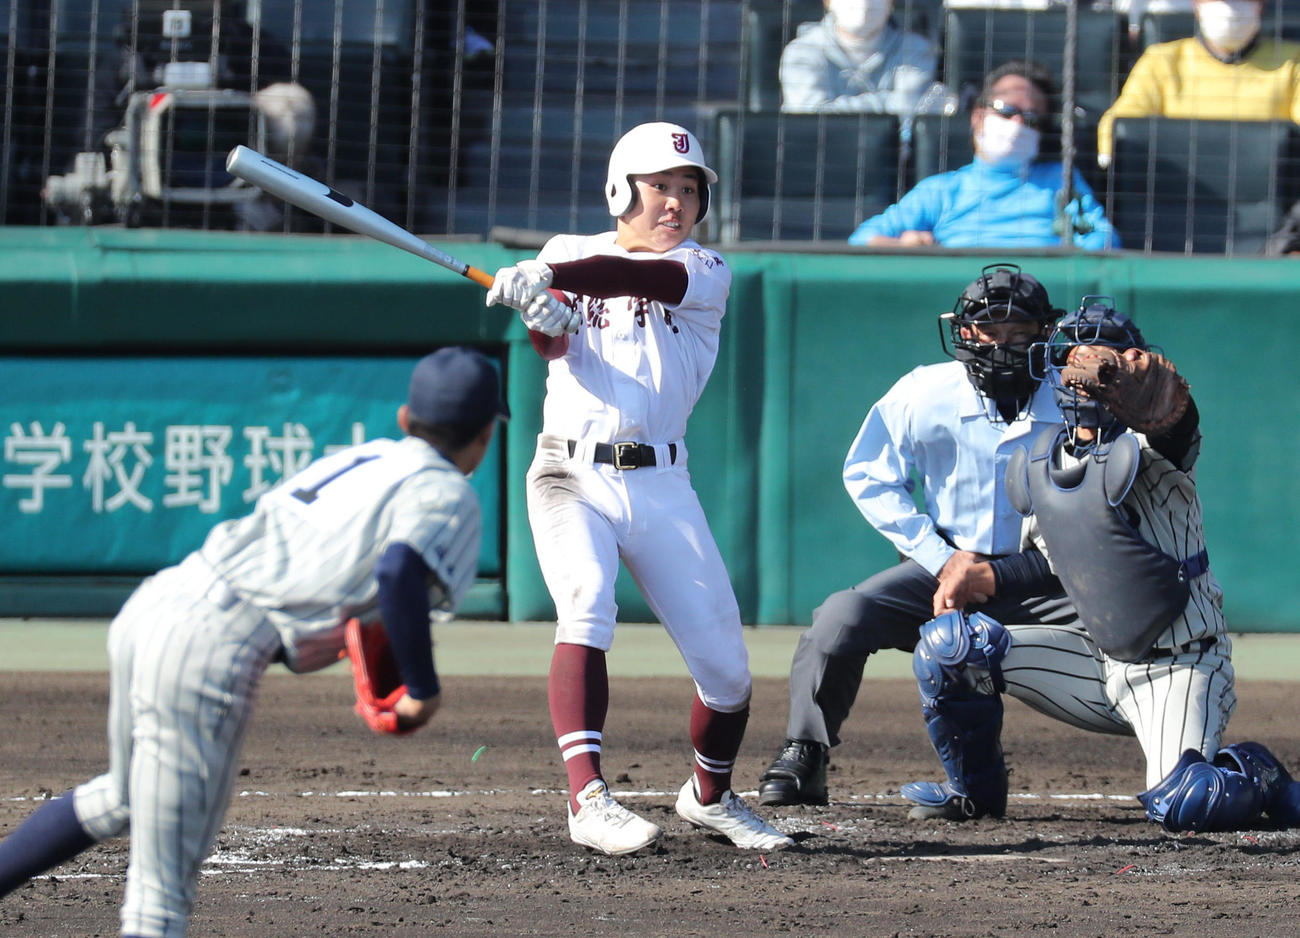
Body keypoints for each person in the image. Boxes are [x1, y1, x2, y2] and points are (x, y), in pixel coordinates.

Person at [0, 346, 507, 937]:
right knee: (160, 900)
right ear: (485, 437)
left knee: (121, 797)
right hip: (210, 646)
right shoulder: (447, 491)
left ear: (403, 419)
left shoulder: (366, 455)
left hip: (159, 601)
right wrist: (422, 690)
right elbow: (398, 572)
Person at [484, 121, 792, 856]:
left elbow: (632, 279)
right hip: (569, 471)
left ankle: (709, 795)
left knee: (728, 675)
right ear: (623, 188)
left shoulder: (703, 268)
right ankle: (587, 797)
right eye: (662, 187)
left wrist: (550, 280)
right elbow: (555, 343)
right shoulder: (562, 255)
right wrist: (541, 312)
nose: (677, 203)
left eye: (689, 190)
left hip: (661, 482)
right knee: (586, 603)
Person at [899, 299, 1300, 831]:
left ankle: (1259, 771)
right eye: (1072, 355)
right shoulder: (1042, 459)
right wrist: (986, 574)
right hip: (1094, 660)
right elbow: (1050, 561)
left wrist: (1158, 402)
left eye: (1101, 353)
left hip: (1177, 666)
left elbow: (1177, 427)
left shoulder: (1154, 448)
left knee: (1189, 804)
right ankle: (974, 793)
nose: (1082, 367)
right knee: (951, 649)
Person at [757, 264, 1076, 808]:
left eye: (1017, 332)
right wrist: (940, 556)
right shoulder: (925, 391)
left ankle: (1178, 758)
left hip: (1049, 576)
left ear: (1044, 333)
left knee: (1134, 634)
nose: (1001, 345)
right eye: (988, 330)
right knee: (842, 615)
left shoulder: (1073, 397)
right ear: (964, 331)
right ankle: (804, 750)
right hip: (944, 567)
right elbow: (867, 472)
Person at [847, 60, 1119, 249]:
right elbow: (862, 240)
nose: (1017, 125)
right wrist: (902, 245)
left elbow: (1103, 238)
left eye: (1032, 118)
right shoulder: (941, 190)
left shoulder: (1062, 181)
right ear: (978, 117)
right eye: (1006, 110)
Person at [1096, 0, 1300, 167]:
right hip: (1178, 192)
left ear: (1261, 5)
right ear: (1196, 5)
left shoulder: (1293, 60)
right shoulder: (1161, 60)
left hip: (1269, 192)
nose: (1230, 8)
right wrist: (1109, 152)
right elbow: (1121, 120)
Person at [779, 0, 956, 136]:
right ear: (829, 2)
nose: (864, 3)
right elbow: (809, 120)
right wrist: (889, 102)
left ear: (891, 3)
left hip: (893, 163)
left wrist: (833, 108)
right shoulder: (801, 52)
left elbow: (911, 107)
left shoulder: (917, 48)